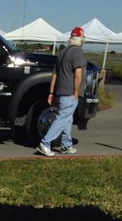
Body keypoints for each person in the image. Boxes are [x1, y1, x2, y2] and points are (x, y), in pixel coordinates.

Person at [37, 26, 87, 157]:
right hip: (70, 93)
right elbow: (78, 74)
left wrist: (51, 92)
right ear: (80, 39)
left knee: (67, 119)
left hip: (60, 92)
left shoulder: (62, 52)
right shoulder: (77, 52)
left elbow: (54, 74)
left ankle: (66, 144)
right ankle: (45, 142)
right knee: (62, 119)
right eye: (83, 37)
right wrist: (76, 93)